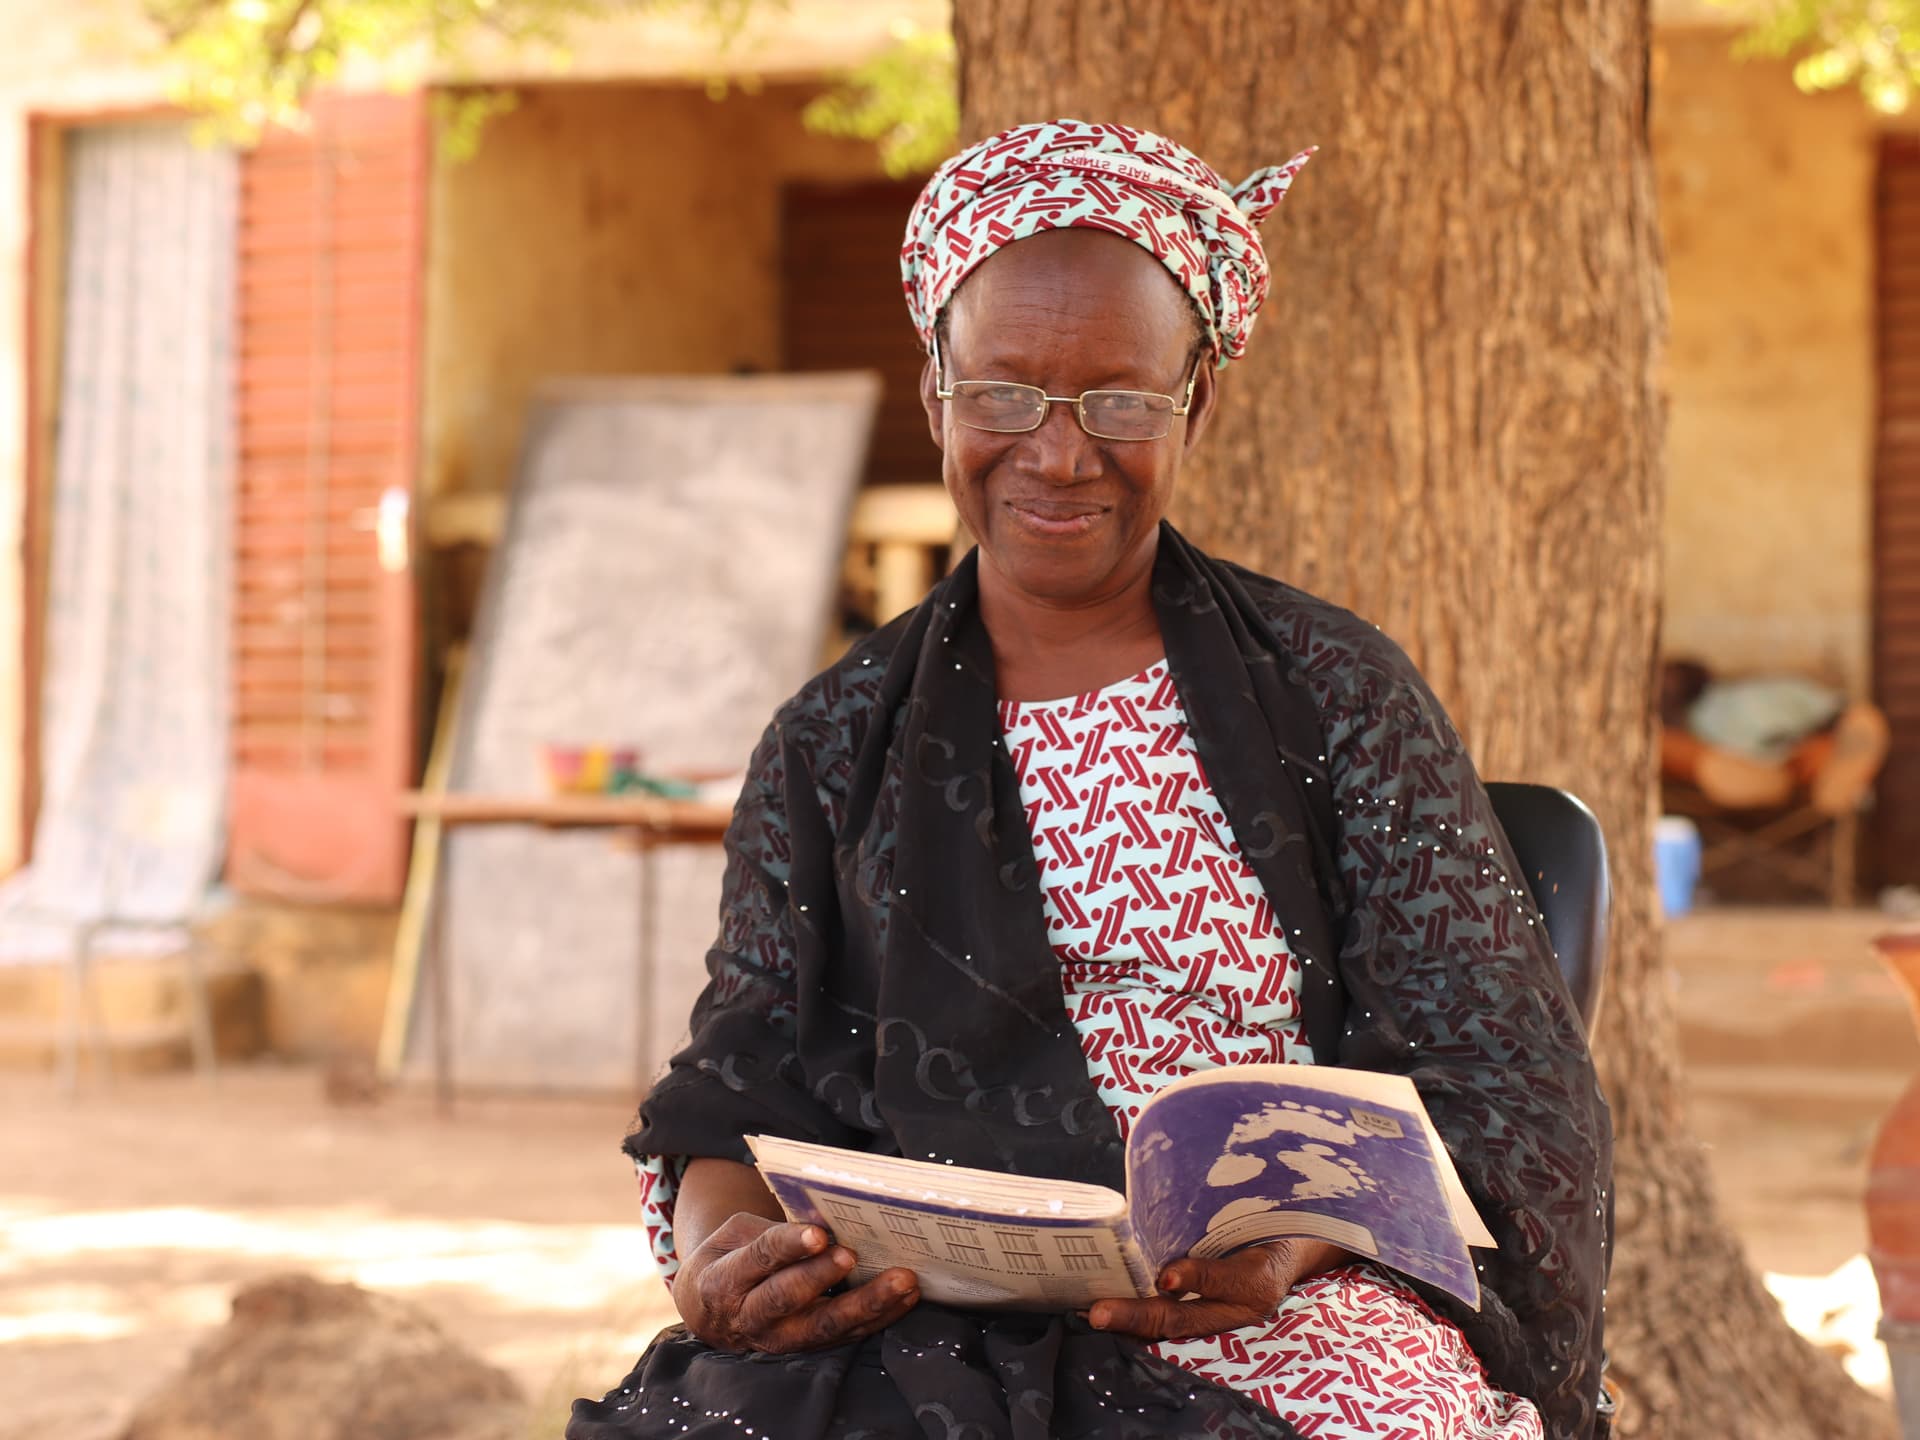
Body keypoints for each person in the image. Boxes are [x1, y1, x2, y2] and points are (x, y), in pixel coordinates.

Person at [569, 120, 1612, 1440]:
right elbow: (739, 1079)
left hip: (1285, 1303)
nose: (1060, 454)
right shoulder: (831, 741)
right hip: (924, 1308)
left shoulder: (1335, 693)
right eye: (1005, 394)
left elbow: (1501, 1083)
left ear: (1198, 405)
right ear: (939, 391)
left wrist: (1302, 1241)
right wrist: (717, 1258)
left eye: (1122, 400)